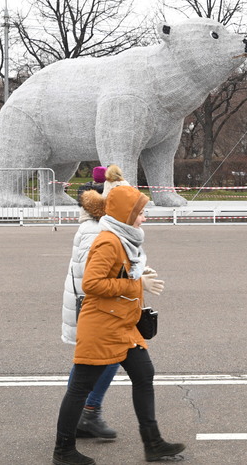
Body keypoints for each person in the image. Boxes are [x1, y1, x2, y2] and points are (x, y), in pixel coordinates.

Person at [52, 185, 185, 465]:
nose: (144, 218)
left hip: (122, 325)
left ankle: (153, 443)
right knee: (79, 388)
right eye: (140, 213)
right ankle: (63, 451)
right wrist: (136, 282)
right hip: (102, 327)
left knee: (144, 373)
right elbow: (92, 283)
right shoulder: (108, 241)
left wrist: (138, 273)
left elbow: (119, 272)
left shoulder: (124, 239)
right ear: (127, 214)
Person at [60, 184, 118, 439]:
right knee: (105, 358)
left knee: (91, 362)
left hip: (90, 306)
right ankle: (87, 412)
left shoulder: (94, 228)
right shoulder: (96, 231)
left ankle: (81, 414)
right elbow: (92, 278)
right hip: (93, 308)